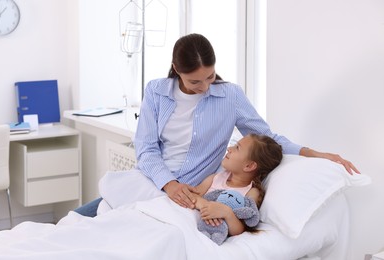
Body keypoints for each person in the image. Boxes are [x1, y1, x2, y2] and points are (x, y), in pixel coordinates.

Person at [74, 33, 359, 217]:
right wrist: (169, 184)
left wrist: (317, 154)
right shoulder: (156, 91)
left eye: (209, 77)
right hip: (153, 182)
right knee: (79, 220)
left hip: (191, 195)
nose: (204, 87)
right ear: (176, 69)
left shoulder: (229, 96)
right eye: (194, 81)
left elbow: (267, 137)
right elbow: (146, 148)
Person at [194, 133, 283, 238]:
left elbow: (239, 229)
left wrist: (227, 213)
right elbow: (192, 195)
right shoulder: (216, 178)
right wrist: (204, 204)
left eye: (237, 147)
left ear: (249, 166)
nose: (229, 148)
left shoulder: (251, 193)